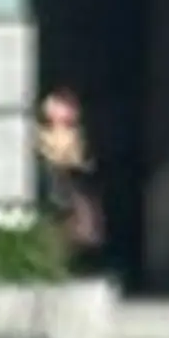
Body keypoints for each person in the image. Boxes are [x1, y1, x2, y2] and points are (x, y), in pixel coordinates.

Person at [34, 89, 107, 265]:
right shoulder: (41, 133)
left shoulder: (76, 133)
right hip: (54, 179)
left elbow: (79, 157)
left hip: (73, 180)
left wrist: (80, 164)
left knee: (81, 220)